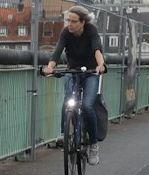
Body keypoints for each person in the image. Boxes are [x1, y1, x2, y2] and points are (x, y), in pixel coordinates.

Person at [42, 6, 106, 164]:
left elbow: (97, 49)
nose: (69, 24)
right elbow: (57, 51)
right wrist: (50, 67)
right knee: (68, 102)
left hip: (91, 72)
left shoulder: (91, 31)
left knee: (87, 107)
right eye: (68, 20)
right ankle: (65, 134)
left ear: (83, 22)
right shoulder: (66, 33)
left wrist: (101, 66)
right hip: (73, 71)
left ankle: (93, 144)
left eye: (73, 21)